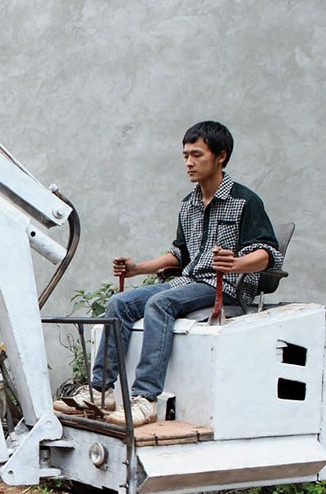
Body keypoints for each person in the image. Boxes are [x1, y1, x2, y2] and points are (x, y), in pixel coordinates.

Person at [55, 121, 282, 426]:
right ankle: (101, 391)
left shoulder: (245, 201)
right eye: (185, 155)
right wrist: (138, 268)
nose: (189, 162)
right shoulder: (188, 203)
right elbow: (180, 254)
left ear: (221, 156)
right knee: (120, 304)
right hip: (188, 280)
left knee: (159, 305)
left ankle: (145, 399)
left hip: (224, 285)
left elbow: (269, 255)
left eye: (197, 155)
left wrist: (236, 264)